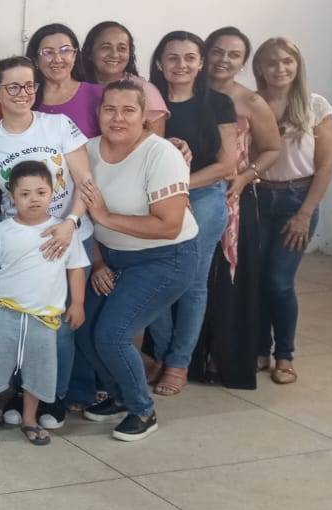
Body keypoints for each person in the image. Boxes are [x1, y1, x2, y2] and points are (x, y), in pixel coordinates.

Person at [70, 80, 200, 442]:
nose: (118, 118)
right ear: (98, 113)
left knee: (112, 335)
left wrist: (108, 219)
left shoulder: (162, 154)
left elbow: (169, 225)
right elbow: (81, 215)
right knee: (82, 327)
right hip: (111, 258)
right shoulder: (87, 151)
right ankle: (117, 396)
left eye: (129, 110)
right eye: (109, 109)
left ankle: (142, 410)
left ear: (145, 116)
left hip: (166, 259)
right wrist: (97, 262)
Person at [0, 55, 94, 428]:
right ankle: (19, 393)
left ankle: (53, 398)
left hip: (68, 239)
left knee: (55, 326)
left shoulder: (58, 125)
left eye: (29, 85)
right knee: (17, 326)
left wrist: (70, 224)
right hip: (20, 243)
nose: (22, 93)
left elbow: (85, 182)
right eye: (12, 86)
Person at [144, 31, 238, 397]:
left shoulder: (218, 103)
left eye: (189, 57)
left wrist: (181, 188)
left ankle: (179, 362)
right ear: (159, 63)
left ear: (200, 63)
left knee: (192, 283)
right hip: (156, 201)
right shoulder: (149, 101)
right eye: (172, 58)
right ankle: (167, 355)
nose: (181, 65)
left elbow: (227, 164)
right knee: (157, 279)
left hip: (203, 198)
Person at [0, 161, 88, 447]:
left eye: (40, 192)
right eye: (24, 194)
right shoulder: (1, 233)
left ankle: (30, 419)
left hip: (44, 318)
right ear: (12, 196)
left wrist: (78, 304)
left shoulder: (63, 232)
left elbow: (76, 270)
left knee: (38, 370)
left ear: (52, 192)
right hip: (5, 313)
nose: (33, 199)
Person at [189, 27, 281, 390]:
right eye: (217, 51)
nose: (224, 60)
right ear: (205, 54)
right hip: (191, 193)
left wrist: (246, 177)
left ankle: (222, 360)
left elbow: (272, 149)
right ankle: (187, 358)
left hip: (234, 197)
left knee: (229, 281)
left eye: (233, 54)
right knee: (193, 276)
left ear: (243, 61)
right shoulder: (187, 93)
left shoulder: (251, 102)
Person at [253, 37, 332, 386]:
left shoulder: (316, 106)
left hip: (296, 199)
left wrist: (305, 213)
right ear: (259, 68)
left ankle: (284, 354)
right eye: (271, 62)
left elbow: (326, 164)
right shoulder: (253, 104)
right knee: (256, 280)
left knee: (279, 281)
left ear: (298, 65)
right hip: (258, 199)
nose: (280, 68)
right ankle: (259, 347)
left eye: (287, 61)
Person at [79, 21, 169, 134]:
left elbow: (155, 145)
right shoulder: (75, 87)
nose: (114, 54)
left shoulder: (145, 90)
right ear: (89, 53)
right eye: (106, 47)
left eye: (122, 48)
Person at [27, 23, 105, 138]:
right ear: (35, 60)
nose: (57, 59)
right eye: (48, 52)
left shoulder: (99, 94)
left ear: (74, 55)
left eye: (65, 50)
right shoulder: (24, 97)